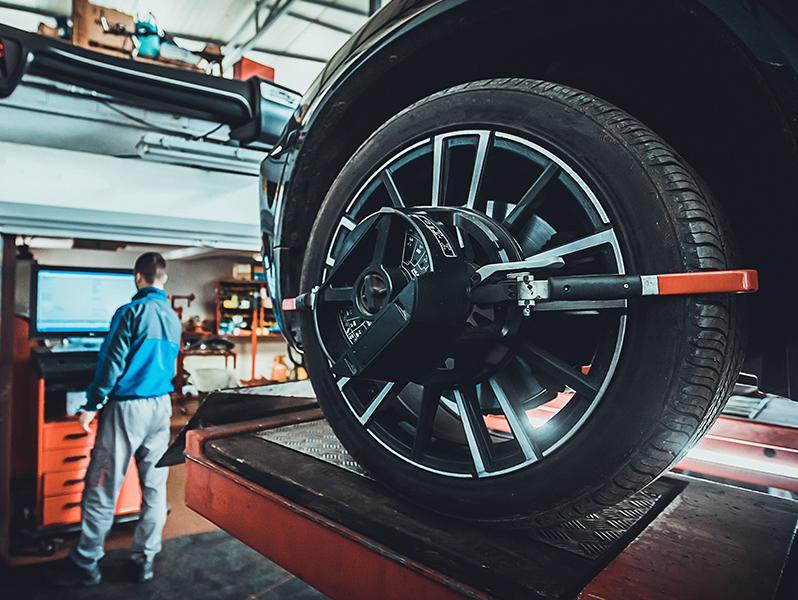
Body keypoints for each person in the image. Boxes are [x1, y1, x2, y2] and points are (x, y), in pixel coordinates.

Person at [56, 252, 181, 586]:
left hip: (129, 408)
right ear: (163, 279)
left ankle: (86, 561)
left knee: (103, 484)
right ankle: (145, 560)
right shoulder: (172, 317)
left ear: (138, 277)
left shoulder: (130, 312)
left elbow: (111, 364)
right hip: (161, 406)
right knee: (155, 489)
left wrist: (92, 404)